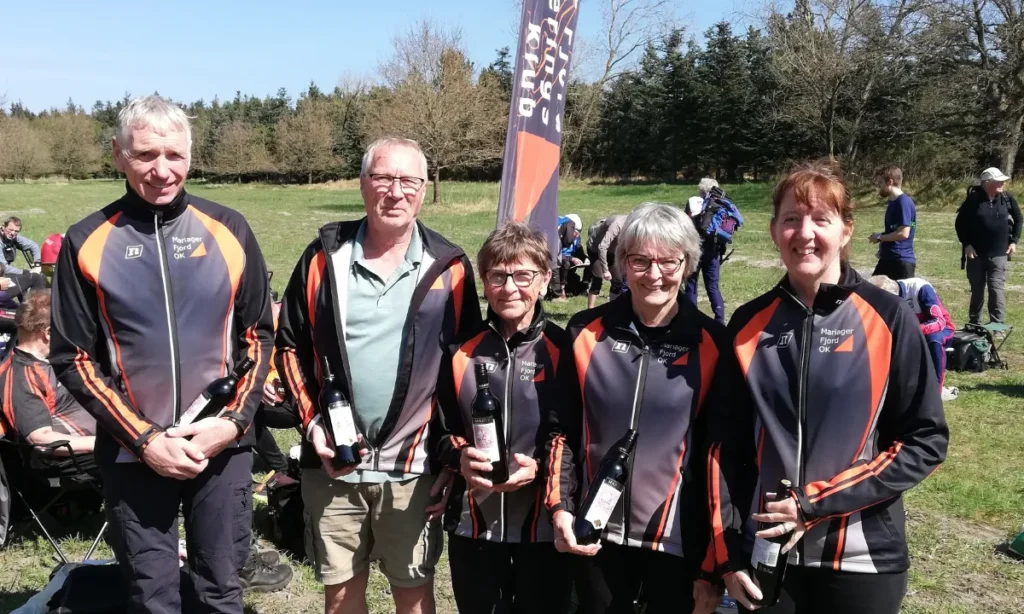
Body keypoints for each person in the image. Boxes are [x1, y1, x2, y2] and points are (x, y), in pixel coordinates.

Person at [50, 95, 275, 614]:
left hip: (219, 446)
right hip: (133, 451)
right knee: (150, 596)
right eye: (146, 154)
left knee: (220, 590)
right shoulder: (87, 239)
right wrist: (146, 439)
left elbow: (260, 337)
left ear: (190, 155)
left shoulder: (230, 229)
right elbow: (74, 358)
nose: (161, 170)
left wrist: (235, 423)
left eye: (174, 154)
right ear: (118, 154)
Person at [707, 161, 948, 614]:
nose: (805, 233)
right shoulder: (748, 326)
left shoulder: (890, 318)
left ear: (846, 230)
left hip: (862, 558)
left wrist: (815, 502)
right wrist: (727, 555)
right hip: (765, 556)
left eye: (822, 219)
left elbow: (924, 441)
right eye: (791, 219)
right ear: (774, 230)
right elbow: (724, 449)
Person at [275, 137, 481, 614]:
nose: (395, 191)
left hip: (414, 469)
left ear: (424, 189)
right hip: (333, 462)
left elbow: (464, 369)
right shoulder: (323, 256)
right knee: (341, 595)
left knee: (413, 593)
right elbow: (288, 345)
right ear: (363, 183)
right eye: (383, 178)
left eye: (408, 180)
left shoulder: (449, 267)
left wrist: (451, 457)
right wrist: (311, 426)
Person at [544, 202, 729, 614]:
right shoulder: (585, 331)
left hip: (678, 541)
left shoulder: (713, 343)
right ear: (623, 264)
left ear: (688, 264)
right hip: (595, 533)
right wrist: (559, 507)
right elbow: (561, 431)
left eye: (668, 261)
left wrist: (715, 559)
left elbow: (722, 455)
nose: (655, 273)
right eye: (640, 260)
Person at [434, 221, 570, 613]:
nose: (510, 287)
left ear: (545, 280)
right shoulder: (460, 351)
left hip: (544, 525)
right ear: (484, 281)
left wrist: (542, 467)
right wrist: (459, 456)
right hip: (473, 523)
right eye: (498, 276)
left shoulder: (566, 349)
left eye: (523, 275)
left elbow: (579, 435)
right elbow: (440, 429)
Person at [0, 291, 96, 455]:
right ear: (49, 333)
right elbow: (41, 440)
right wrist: (107, 443)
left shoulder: (54, 357)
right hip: (86, 460)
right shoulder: (21, 376)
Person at [868, 275, 958, 401]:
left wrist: (911, 330)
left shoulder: (920, 288)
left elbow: (939, 321)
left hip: (941, 330)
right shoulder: (888, 294)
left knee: (934, 340)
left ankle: (936, 391)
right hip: (910, 330)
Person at [955, 167, 1023, 324]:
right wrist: (967, 245)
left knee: (996, 288)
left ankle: (997, 324)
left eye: (1003, 181)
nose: (1003, 183)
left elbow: (1019, 218)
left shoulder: (1007, 198)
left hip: (999, 253)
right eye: (998, 181)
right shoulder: (973, 199)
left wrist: (1014, 241)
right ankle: (974, 322)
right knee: (977, 289)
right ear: (987, 183)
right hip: (976, 254)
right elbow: (960, 224)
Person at [685, 178, 726, 322]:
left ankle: (691, 318)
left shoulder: (693, 202)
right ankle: (720, 319)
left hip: (695, 247)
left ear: (702, 189)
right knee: (713, 287)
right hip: (714, 250)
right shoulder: (721, 205)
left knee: (691, 284)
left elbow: (685, 224)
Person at [868, 166, 917, 280]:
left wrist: (880, 237)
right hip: (889, 258)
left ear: (890, 182)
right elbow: (894, 230)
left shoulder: (903, 202)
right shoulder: (893, 202)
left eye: (880, 183)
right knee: (872, 294)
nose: (879, 187)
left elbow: (903, 233)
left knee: (900, 297)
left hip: (900, 262)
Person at [586, 214, 626, 309]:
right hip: (595, 249)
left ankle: (612, 309)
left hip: (611, 251)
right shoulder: (617, 225)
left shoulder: (632, 227)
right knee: (598, 279)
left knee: (618, 281)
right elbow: (602, 247)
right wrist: (605, 270)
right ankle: (590, 310)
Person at [551, 213, 585, 301]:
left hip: (566, 258)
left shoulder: (576, 237)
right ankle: (557, 294)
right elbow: (556, 254)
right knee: (561, 265)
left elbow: (578, 248)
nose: (576, 236)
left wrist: (585, 259)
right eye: (575, 233)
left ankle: (575, 286)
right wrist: (572, 259)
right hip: (559, 257)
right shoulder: (559, 235)